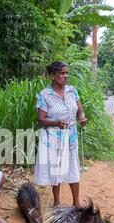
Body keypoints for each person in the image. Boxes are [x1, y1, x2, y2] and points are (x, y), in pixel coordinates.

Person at [33, 61, 88, 209]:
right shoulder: (45, 95)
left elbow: (79, 110)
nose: (66, 76)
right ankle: (57, 201)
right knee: (56, 168)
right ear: (52, 75)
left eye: (67, 73)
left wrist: (82, 118)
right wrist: (56, 123)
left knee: (72, 166)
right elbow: (41, 119)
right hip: (53, 138)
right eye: (62, 73)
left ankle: (76, 202)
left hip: (71, 136)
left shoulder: (72, 91)